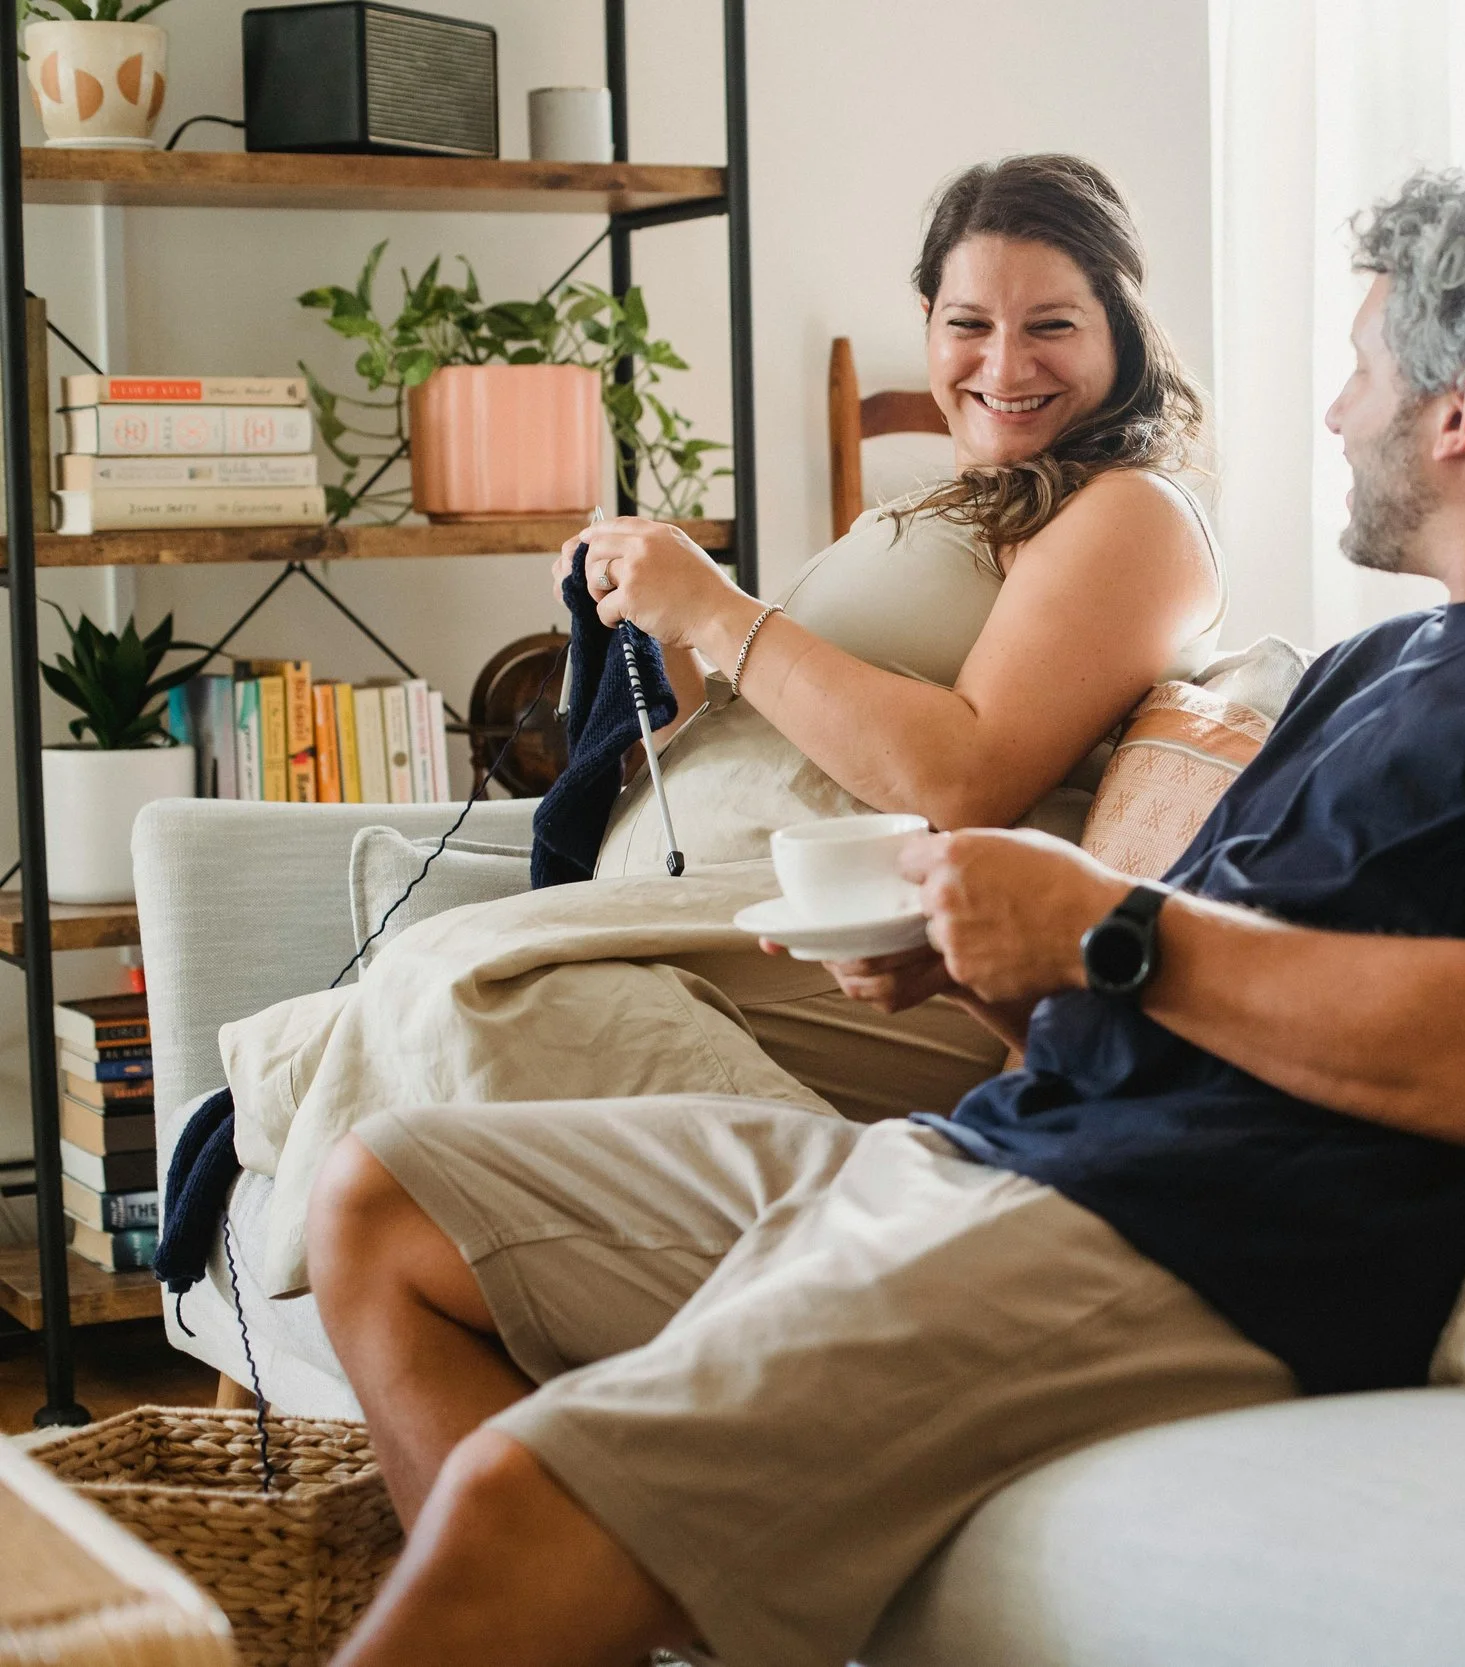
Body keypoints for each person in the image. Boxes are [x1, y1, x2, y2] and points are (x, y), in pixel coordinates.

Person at [306, 169, 1465, 1667]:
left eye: (1362, 372)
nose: (1339, 413)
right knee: (385, 1197)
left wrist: (1110, 928)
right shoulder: (1391, 658)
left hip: (1190, 1240)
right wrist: (997, 970)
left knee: (527, 1486)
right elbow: (1157, 993)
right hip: (1015, 1149)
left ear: (1457, 408)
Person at [209, 154, 1226, 1298]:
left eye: (1052, 324)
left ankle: (865, 1251)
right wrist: (665, 628)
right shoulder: (948, 501)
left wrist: (722, 609)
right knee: (365, 1013)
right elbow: (779, 716)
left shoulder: (1130, 513)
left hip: (876, 954)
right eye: (967, 323)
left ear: (1123, 335)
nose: (1003, 363)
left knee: (456, 989)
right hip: (729, 912)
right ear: (927, 325)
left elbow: (967, 776)